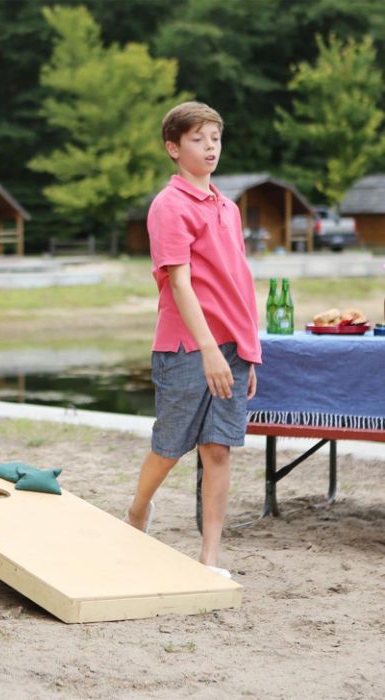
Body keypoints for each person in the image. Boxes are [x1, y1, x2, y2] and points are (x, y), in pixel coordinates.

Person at [124, 102, 261, 578]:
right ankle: (139, 509)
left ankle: (209, 561)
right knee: (170, 446)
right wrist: (208, 352)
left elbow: (239, 282)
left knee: (218, 449)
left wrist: (249, 351)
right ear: (173, 147)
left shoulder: (228, 207)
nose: (210, 148)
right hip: (186, 346)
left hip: (231, 347)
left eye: (216, 139)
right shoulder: (169, 206)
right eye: (199, 139)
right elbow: (180, 284)